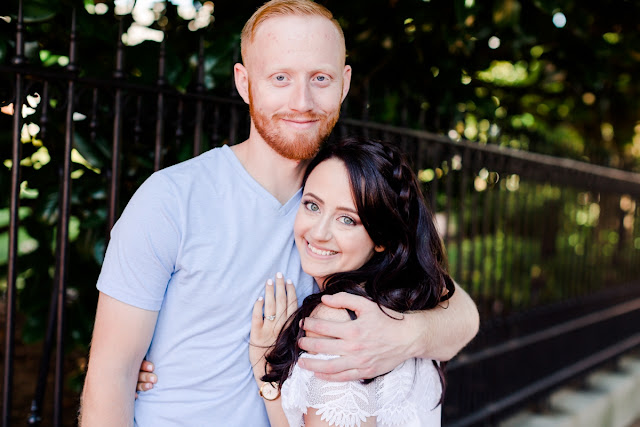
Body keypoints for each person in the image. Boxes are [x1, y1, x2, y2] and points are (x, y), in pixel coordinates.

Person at [79, 0, 479, 425]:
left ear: (343, 84)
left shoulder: (344, 205)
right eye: (281, 77)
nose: (302, 101)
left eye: (319, 78)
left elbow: (461, 314)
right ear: (244, 81)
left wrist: (402, 335)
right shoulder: (171, 199)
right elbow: (111, 376)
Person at [249, 137, 453, 426]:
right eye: (312, 205)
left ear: (382, 238)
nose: (319, 232)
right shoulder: (410, 302)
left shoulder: (337, 320)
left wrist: (264, 367)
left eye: (347, 220)